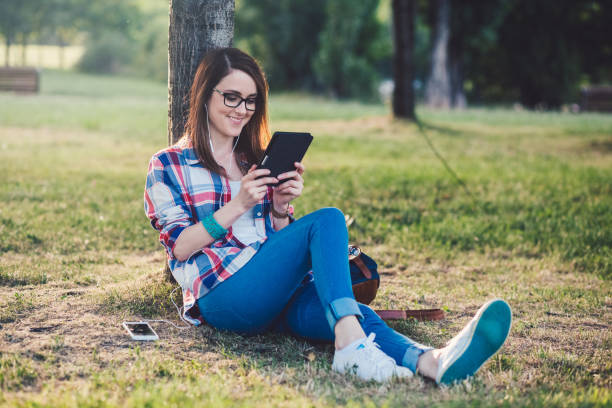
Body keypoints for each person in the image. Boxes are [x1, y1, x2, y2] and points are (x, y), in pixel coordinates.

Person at [144, 47, 512, 384]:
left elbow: (276, 240)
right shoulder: (168, 164)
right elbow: (180, 247)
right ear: (204, 95)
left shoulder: (256, 160)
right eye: (231, 97)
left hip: (278, 296)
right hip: (226, 296)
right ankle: (351, 352)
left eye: (251, 101)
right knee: (328, 219)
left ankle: (433, 361)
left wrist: (279, 208)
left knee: (346, 314)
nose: (241, 110)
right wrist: (237, 204)